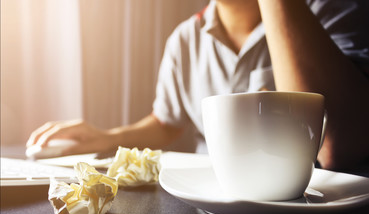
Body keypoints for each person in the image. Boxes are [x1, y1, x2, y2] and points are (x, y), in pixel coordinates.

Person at [27, 0, 369, 170]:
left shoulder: (328, 11)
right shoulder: (185, 39)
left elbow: (339, 143)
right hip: (204, 205)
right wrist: (106, 138)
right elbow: (165, 123)